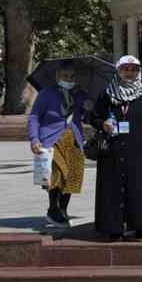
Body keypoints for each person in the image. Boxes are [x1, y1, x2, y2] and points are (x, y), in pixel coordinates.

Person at [92, 55, 142, 241]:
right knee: (112, 189)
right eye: (125, 69)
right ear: (118, 71)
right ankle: (113, 227)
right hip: (113, 150)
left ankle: (141, 227)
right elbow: (93, 117)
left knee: (140, 189)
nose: (129, 73)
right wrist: (102, 123)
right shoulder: (107, 94)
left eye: (133, 69)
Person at [28, 60, 87, 228]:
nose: (68, 79)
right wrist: (34, 138)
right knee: (57, 175)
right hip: (52, 139)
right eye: (64, 75)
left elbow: (86, 115)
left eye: (71, 76)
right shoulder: (47, 93)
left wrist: (87, 106)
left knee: (72, 176)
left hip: (74, 140)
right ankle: (53, 209)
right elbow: (34, 117)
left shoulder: (79, 94)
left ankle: (63, 210)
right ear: (57, 76)